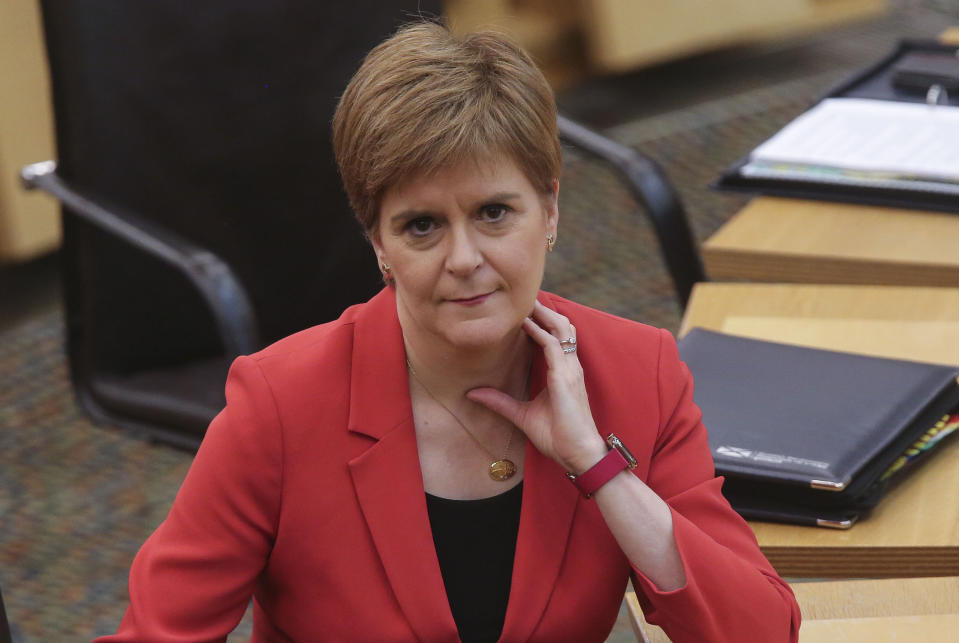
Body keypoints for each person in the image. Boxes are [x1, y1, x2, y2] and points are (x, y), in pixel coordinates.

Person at [97, 21, 801, 643]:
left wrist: (597, 465)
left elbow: (760, 633)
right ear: (377, 240)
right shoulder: (278, 408)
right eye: (421, 225)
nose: (463, 259)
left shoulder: (636, 372)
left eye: (495, 212)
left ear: (549, 209)